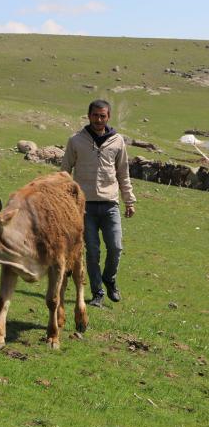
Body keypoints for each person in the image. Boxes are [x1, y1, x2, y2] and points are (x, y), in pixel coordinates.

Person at [61, 99, 136, 307]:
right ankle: (97, 293)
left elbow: (123, 173)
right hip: (84, 207)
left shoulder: (117, 141)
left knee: (116, 247)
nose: (99, 119)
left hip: (110, 204)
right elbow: (64, 172)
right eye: (95, 115)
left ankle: (109, 278)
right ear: (89, 115)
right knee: (92, 251)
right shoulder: (75, 140)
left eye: (103, 116)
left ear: (108, 117)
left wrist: (129, 201)